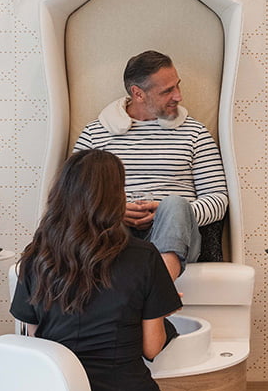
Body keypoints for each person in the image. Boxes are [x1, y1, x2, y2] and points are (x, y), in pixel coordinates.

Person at [10, 149, 182, 391]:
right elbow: (151, 347)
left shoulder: (37, 255)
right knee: (125, 383)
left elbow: (36, 344)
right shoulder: (143, 257)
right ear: (115, 197)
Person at [73, 50, 228, 280]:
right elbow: (72, 198)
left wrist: (168, 212)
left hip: (178, 238)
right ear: (138, 93)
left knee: (174, 204)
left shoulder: (195, 133)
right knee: (103, 210)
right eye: (167, 91)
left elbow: (218, 200)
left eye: (177, 85)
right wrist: (115, 210)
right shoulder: (95, 134)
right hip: (115, 235)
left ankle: (161, 286)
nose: (178, 96)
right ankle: (154, 293)